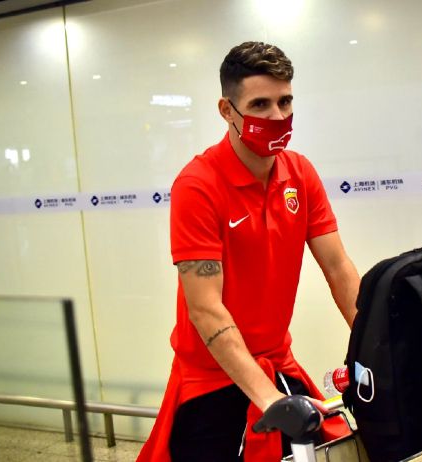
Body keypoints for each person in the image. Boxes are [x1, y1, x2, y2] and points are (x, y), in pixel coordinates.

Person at [137, 41, 360, 462]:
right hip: (211, 380)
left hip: (277, 363)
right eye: (260, 104)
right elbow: (205, 310)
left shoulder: (300, 173)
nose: (277, 117)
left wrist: (377, 343)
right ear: (227, 110)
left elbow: (338, 267)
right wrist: (269, 399)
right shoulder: (198, 185)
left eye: (285, 101)